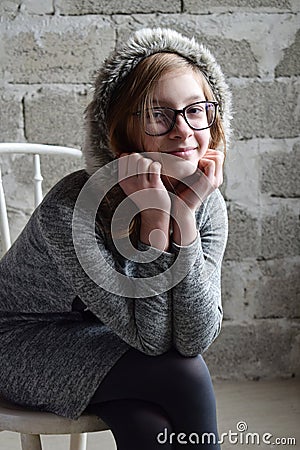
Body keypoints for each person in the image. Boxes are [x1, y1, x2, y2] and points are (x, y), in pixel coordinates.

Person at [0, 28, 232, 449]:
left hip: (100, 339)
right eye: (158, 115)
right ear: (124, 133)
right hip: (17, 342)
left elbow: (194, 336)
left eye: (196, 110)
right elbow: (153, 341)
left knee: (147, 425)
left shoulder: (207, 202)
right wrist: (156, 221)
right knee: (184, 373)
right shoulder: (72, 210)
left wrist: (183, 213)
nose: (182, 131)